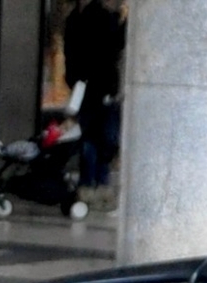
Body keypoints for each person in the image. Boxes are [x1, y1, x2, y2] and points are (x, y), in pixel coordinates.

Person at [60, 0, 123, 192]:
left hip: (86, 87)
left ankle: (89, 182)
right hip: (100, 87)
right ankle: (98, 181)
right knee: (102, 136)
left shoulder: (75, 19)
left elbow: (70, 55)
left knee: (90, 135)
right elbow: (114, 47)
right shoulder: (100, 17)